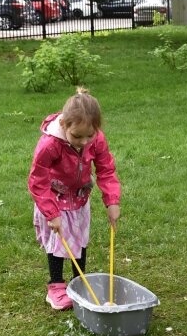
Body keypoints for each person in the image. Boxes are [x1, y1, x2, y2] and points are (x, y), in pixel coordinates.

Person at [27, 88, 121, 310]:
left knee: (79, 239)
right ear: (63, 125)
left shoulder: (95, 140)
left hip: (79, 198)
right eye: (77, 136)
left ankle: (78, 282)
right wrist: (51, 213)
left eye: (90, 136)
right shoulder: (50, 145)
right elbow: (37, 181)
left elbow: (106, 170)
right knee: (58, 242)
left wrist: (112, 201)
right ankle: (56, 287)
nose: (84, 142)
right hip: (54, 199)